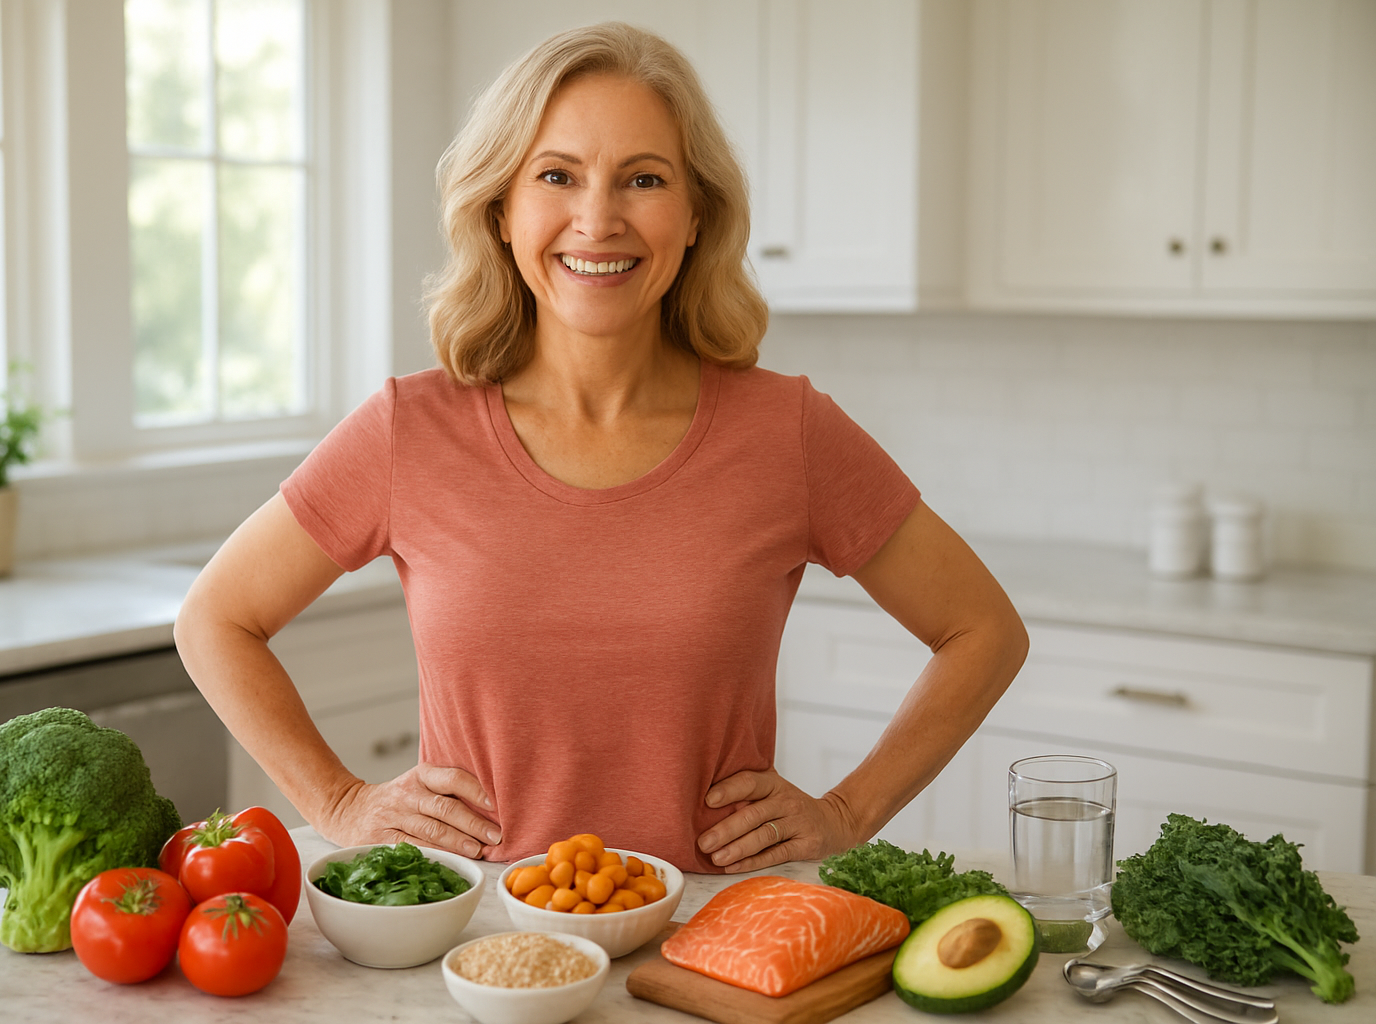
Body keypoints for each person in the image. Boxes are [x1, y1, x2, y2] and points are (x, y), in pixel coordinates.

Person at [174, 22, 1028, 874]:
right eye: (557, 176)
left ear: (695, 216)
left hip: (712, 938)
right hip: (480, 940)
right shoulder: (410, 430)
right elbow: (215, 619)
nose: (598, 219)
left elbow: (983, 630)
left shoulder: (788, 433)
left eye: (643, 179)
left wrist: (848, 810)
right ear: (502, 209)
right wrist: (338, 804)